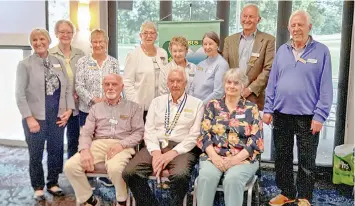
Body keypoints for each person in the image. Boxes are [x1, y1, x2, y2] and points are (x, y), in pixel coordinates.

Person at [263, 10, 333, 206]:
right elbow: (272, 82)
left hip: (308, 116)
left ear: (309, 27)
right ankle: (287, 192)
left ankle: (304, 196)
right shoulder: (282, 51)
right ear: (288, 28)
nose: (296, 29)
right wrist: (268, 109)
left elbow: (326, 87)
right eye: (293, 25)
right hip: (281, 114)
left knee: (306, 160)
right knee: (282, 158)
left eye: (300, 25)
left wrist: (320, 116)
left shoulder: (322, 51)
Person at [123, 67, 204, 206]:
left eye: (179, 81)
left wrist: (171, 154)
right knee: (130, 172)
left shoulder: (197, 104)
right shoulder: (157, 102)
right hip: (157, 145)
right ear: (167, 83)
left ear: (185, 83)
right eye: (171, 81)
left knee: (180, 176)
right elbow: (149, 130)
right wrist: (155, 152)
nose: (175, 84)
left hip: (182, 148)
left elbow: (194, 135)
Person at [64, 74, 144, 206]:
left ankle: (122, 200)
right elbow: (86, 132)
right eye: (107, 84)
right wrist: (84, 150)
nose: (110, 87)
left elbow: (139, 133)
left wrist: (121, 145)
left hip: (123, 145)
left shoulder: (133, 108)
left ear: (122, 87)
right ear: (103, 87)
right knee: (70, 166)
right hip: (98, 144)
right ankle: (90, 200)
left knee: (115, 168)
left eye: (114, 84)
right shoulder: (96, 108)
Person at [15, 28, 75, 200]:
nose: (39, 42)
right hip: (35, 118)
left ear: (48, 41)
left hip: (57, 116)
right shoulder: (25, 64)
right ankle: (38, 186)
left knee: (56, 151)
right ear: (31, 43)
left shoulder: (58, 61)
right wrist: (29, 117)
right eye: (34, 40)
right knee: (36, 153)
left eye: (42, 39)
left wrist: (69, 110)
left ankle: (53, 182)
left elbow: (68, 88)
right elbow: (19, 94)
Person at [196, 68, 263, 206]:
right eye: (229, 82)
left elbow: (256, 140)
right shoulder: (212, 105)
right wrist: (215, 157)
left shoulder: (251, 108)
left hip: (242, 158)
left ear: (243, 86)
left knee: (232, 180)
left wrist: (233, 160)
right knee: (206, 177)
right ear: (224, 84)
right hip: (213, 156)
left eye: (236, 83)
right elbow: (204, 135)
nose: (231, 86)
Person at [223, 4, 275, 110]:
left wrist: (250, 89)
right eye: (244, 16)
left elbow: (268, 69)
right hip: (231, 96)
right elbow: (224, 66)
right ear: (240, 18)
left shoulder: (268, 40)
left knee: (253, 126)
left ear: (258, 19)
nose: (247, 20)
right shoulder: (229, 40)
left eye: (251, 16)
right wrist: (233, 87)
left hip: (255, 97)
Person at [49, 19, 85, 158]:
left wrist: (78, 92)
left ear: (73, 34)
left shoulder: (80, 54)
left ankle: (72, 170)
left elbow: (83, 77)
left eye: (69, 32)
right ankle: (53, 177)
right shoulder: (50, 54)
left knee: (74, 141)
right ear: (56, 34)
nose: (65, 35)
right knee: (56, 143)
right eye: (62, 32)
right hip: (58, 106)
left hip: (77, 105)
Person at [123, 21, 168, 122]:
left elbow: (165, 78)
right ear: (140, 35)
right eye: (145, 33)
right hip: (140, 108)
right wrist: (135, 103)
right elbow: (127, 82)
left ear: (156, 36)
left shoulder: (162, 53)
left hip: (160, 106)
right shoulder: (133, 55)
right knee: (141, 137)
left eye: (152, 33)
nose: (149, 36)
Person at [75, 29, 120, 127]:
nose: (98, 45)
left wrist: (107, 98)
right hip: (87, 111)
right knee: (87, 140)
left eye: (101, 41)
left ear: (106, 43)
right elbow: (79, 86)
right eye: (95, 42)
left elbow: (118, 85)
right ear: (91, 43)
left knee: (106, 141)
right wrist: (94, 99)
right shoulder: (82, 62)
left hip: (109, 110)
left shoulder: (114, 62)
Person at [189, 31, 229, 104]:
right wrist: (192, 103)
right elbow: (192, 86)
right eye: (205, 44)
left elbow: (218, 92)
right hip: (194, 106)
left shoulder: (222, 64)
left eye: (210, 44)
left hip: (210, 108)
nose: (207, 47)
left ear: (217, 45)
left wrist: (201, 105)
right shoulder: (201, 64)